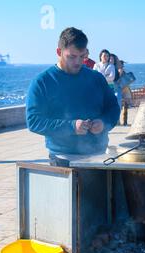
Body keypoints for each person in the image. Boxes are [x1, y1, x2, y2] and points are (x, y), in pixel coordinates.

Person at [26, 27, 120, 166]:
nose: (78, 62)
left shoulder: (96, 78)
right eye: (72, 56)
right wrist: (71, 127)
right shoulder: (42, 82)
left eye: (82, 56)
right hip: (62, 159)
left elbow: (113, 108)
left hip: (100, 156)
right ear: (59, 52)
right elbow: (33, 121)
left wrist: (104, 123)